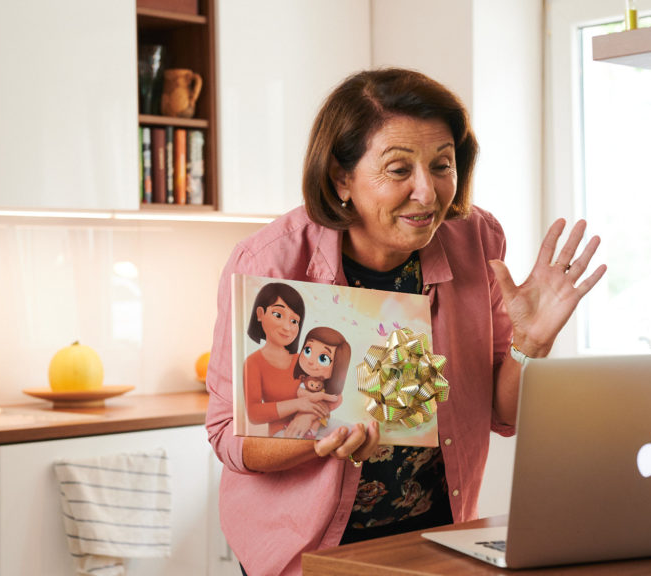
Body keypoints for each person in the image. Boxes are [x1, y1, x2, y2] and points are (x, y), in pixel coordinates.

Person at [205, 67, 606, 575]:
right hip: (305, 553)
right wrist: (318, 439)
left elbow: (502, 415)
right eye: (399, 170)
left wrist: (529, 344)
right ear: (341, 178)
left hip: (434, 539)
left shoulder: (476, 239)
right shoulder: (269, 262)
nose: (428, 192)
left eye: (443, 165)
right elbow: (228, 437)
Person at [244, 282, 338, 437]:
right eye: (278, 315)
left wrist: (307, 415)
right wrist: (298, 405)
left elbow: (335, 395)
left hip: (316, 426)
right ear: (260, 314)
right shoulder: (253, 363)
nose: (287, 327)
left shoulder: (303, 359)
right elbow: (254, 413)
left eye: (294, 321)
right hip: (283, 435)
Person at [285, 326, 352, 439]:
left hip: (320, 425)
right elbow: (300, 393)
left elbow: (336, 400)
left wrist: (312, 414)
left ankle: (312, 431)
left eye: (323, 358)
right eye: (308, 350)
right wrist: (319, 396)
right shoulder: (301, 380)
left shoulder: (328, 387)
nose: (310, 361)